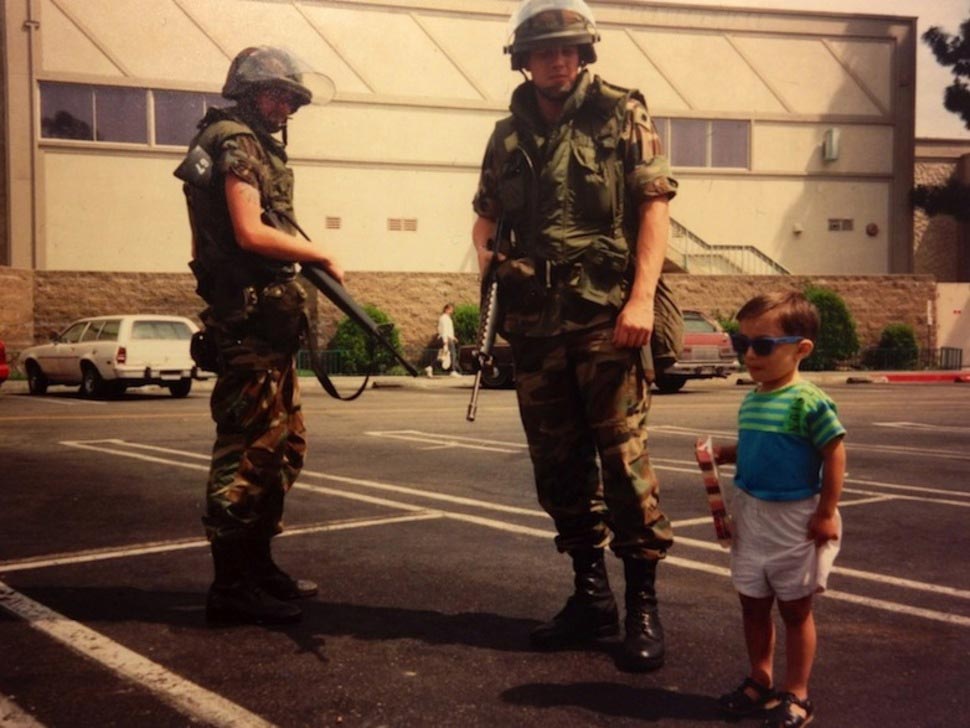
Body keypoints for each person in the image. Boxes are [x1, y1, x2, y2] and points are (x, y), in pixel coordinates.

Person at [471, 0, 678, 672]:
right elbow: (485, 215)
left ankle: (642, 604)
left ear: (584, 53)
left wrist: (641, 298)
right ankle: (591, 597)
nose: (558, 60)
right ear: (522, 60)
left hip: (605, 318)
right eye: (544, 50)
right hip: (534, 325)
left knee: (622, 463)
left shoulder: (621, 113)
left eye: (568, 49)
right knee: (557, 468)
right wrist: (487, 259)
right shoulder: (505, 136)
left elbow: (654, 208)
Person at [177, 46, 344, 625]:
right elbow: (249, 232)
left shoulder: (242, 141)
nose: (288, 106)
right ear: (249, 94)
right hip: (248, 327)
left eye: (293, 98)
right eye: (278, 95)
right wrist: (318, 251)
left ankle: (256, 565)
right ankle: (230, 586)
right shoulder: (235, 141)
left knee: (281, 448)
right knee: (247, 452)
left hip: (262, 324)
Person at [712, 291, 846, 728]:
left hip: (794, 519)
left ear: (800, 349)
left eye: (763, 345)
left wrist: (827, 512)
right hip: (751, 516)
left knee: (794, 610)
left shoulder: (809, 401)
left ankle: (798, 692)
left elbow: (834, 453)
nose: (750, 354)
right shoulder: (752, 398)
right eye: (741, 343)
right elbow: (758, 444)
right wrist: (726, 452)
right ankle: (760, 678)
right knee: (752, 603)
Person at [438, 303, 461, 376]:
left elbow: (448, 330)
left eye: (451, 309)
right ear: (446, 309)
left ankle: (430, 367)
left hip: (448, 337)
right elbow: (444, 330)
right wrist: (445, 341)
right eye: (450, 309)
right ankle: (453, 371)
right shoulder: (444, 318)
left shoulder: (447, 318)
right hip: (447, 338)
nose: (451, 311)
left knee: (443, 355)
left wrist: (453, 337)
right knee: (453, 353)